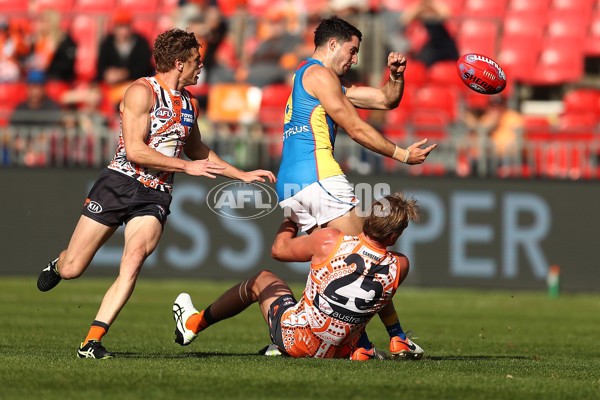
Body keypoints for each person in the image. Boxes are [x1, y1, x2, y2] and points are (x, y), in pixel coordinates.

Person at [36, 28, 276, 359]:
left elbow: (198, 151)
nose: (200, 67)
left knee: (133, 260)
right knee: (73, 268)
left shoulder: (190, 103)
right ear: (179, 63)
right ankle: (57, 264)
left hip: (156, 194)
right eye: (196, 61)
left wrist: (240, 175)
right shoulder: (141, 92)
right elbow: (135, 150)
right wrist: (185, 168)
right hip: (119, 183)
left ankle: (90, 342)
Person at [275, 16, 436, 353]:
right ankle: (396, 338)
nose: (354, 59)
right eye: (351, 50)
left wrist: (395, 76)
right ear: (332, 45)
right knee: (370, 257)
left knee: (343, 265)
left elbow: (385, 100)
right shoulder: (319, 74)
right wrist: (402, 155)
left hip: (292, 185)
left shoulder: (316, 78)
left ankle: (359, 343)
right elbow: (355, 127)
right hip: (318, 176)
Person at [173, 193, 424, 360]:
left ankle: (193, 324)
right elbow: (378, 293)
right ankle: (372, 347)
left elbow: (278, 250)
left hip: (298, 339)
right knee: (373, 291)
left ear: (368, 218)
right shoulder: (400, 265)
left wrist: (292, 216)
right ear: (394, 237)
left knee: (262, 279)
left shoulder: (330, 240)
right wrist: (396, 334)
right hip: (338, 351)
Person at [95, 8, 155, 109]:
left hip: (135, 84)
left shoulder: (141, 42)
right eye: (120, 26)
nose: (123, 30)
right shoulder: (107, 42)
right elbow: (100, 66)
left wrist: (124, 73)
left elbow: (144, 67)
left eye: (125, 26)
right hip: (111, 86)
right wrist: (107, 73)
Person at [400, 0, 459, 68]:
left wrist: (432, 6)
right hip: (426, 52)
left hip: (443, 48)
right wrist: (420, 8)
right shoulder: (417, 17)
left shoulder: (440, 18)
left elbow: (446, 16)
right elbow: (405, 20)